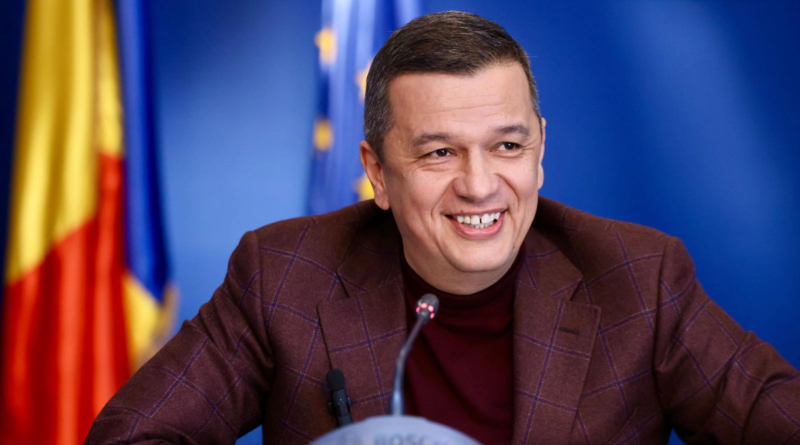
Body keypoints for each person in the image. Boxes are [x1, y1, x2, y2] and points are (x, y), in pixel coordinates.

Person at [87, 11, 800, 445]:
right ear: (377, 171)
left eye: (507, 146)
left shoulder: (637, 278)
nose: (480, 184)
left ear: (540, 152)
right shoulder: (284, 275)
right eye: (438, 153)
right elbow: (131, 435)